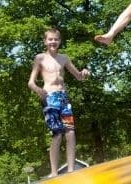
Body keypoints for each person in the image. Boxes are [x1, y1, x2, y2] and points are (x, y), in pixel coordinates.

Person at [27, 27, 91, 177]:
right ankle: (54, 172)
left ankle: (70, 169)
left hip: (63, 97)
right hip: (49, 98)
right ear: (45, 41)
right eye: (50, 39)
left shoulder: (64, 58)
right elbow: (31, 82)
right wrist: (37, 89)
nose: (53, 42)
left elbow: (79, 76)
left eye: (56, 39)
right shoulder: (40, 58)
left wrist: (85, 72)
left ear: (60, 41)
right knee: (57, 134)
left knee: (70, 132)